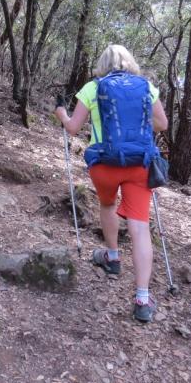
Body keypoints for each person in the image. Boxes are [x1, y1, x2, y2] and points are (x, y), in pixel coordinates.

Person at [54, 45, 168, 323]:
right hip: (138, 164)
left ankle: (113, 258)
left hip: (104, 164)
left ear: (102, 64)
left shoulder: (93, 87)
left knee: (107, 205)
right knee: (140, 227)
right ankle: (142, 299)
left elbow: (73, 128)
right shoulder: (146, 87)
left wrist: (61, 113)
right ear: (130, 61)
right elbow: (162, 124)